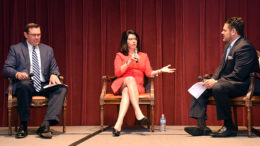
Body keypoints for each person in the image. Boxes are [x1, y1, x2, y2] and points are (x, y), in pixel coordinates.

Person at [184, 17, 259, 137]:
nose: (221, 32)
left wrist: (216, 82)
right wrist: (211, 80)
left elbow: (239, 74)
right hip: (229, 82)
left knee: (218, 87)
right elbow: (221, 68)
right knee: (200, 87)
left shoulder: (245, 47)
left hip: (244, 84)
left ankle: (229, 126)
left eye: (224, 30)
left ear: (233, 31)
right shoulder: (228, 46)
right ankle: (202, 126)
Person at [2, 23, 67, 139]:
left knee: (62, 88)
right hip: (26, 83)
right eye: (33, 35)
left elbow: (54, 67)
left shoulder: (48, 50)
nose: (37, 37)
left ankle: (46, 124)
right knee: (24, 85)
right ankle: (23, 125)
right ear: (26, 35)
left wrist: (54, 74)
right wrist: (17, 74)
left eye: (39, 35)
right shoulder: (16, 49)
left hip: (43, 84)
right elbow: (6, 69)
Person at [111, 30, 176, 136]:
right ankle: (138, 112)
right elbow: (117, 73)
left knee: (127, 91)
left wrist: (160, 70)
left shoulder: (144, 56)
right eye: (130, 39)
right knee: (129, 79)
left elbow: (149, 73)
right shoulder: (120, 55)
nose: (133, 41)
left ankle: (118, 124)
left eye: (135, 39)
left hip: (137, 87)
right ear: (125, 41)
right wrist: (129, 61)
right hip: (121, 83)